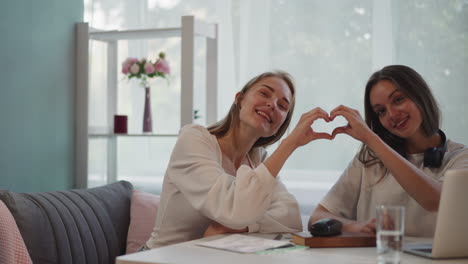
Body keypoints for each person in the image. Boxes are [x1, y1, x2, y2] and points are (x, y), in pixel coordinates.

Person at [145, 71, 333, 248]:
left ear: (279, 126)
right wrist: (289, 144)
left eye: (282, 106)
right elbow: (234, 211)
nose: (272, 104)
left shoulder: (258, 159)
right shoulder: (194, 139)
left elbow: (290, 216)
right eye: (264, 93)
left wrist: (246, 227)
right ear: (239, 99)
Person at [310, 65, 468, 237]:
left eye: (398, 100)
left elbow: (436, 201)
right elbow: (318, 216)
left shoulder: (460, 158)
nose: (391, 114)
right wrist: (356, 226)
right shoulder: (369, 159)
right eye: (381, 111)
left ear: (420, 95)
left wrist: (370, 138)